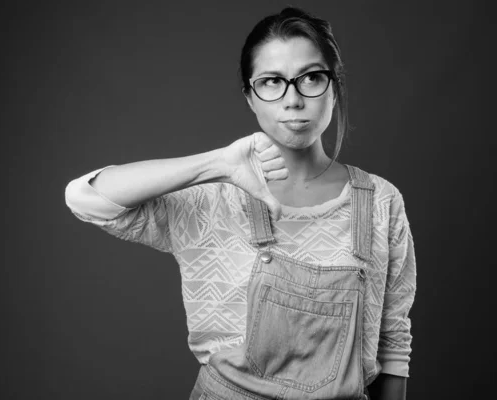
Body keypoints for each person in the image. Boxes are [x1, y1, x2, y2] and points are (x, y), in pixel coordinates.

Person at [64, 6, 416, 400]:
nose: (293, 99)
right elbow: (86, 198)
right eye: (271, 82)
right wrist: (218, 164)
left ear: (334, 86)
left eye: (312, 77)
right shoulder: (212, 197)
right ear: (250, 96)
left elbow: (392, 343)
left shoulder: (381, 201)